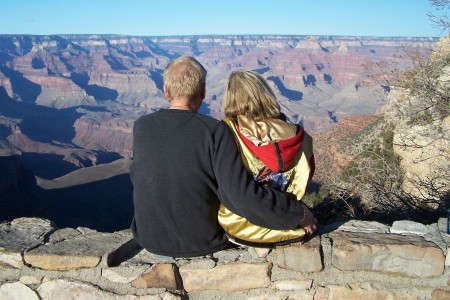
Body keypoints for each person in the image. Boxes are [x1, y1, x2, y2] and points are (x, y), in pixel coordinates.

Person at [130, 56, 317, 257]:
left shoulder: (141, 126)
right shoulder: (213, 130)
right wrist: (298, 214)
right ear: (202, 92)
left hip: (148, 237)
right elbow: (239, 195)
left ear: (166, 92)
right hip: (202, 241)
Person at [219, 70, 316, 247]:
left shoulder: (225, 132)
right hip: (290, 225)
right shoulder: (301, 138)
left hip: (240, 227)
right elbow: (306, 180)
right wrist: (297, 213)